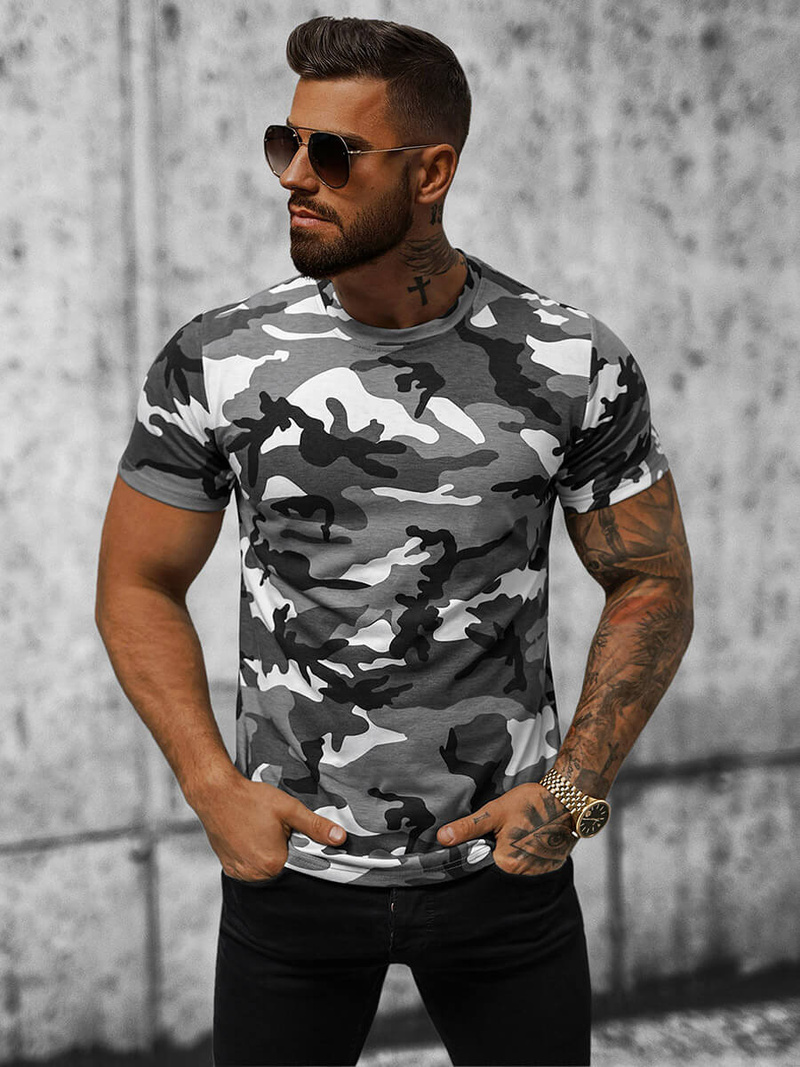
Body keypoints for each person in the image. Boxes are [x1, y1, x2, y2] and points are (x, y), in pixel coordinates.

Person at [95, 15, 694, 1067]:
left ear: (430, 173)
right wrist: (211, 788)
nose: (295, 176)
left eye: (332, 153)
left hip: (502, 874)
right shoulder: (220, 359)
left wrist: (570, 793)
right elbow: (137, 582)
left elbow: (650, 580)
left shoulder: (566, 360)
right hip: (294, 877)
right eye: (285, 144)